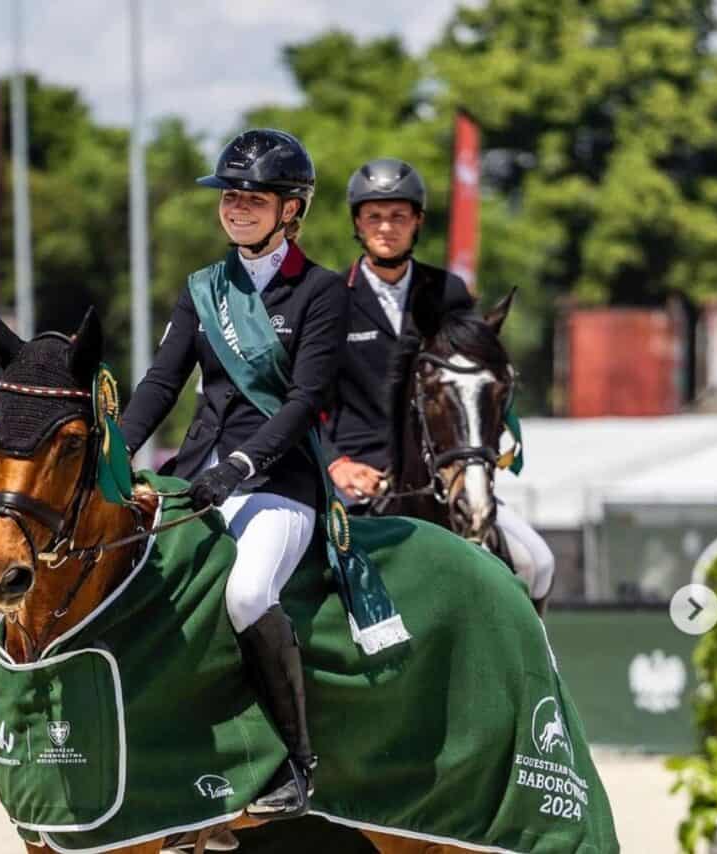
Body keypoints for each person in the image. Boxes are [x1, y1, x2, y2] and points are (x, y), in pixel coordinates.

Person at [122, 129, 347, 818]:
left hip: (279, 482)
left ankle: (293, 761)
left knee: (248, 593)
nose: (237, 208)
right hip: (194, 476)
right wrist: (111, 453)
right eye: (230, 197)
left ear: (291, 211)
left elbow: (307, 400)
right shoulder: (202, 290)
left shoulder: (320, 292)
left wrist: (247, 464)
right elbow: (162, 385)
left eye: (254, 199)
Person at [322, 157, 554, 605]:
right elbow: (309, 397)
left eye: (398, 216)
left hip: (441, 473)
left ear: (417, 222)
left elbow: (471, 380)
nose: (386, 227)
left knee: (537, 561)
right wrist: (338, 465)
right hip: (354, 476)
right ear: (357, 223)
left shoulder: (447, 292)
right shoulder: (331, 298)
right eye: (374, 216)